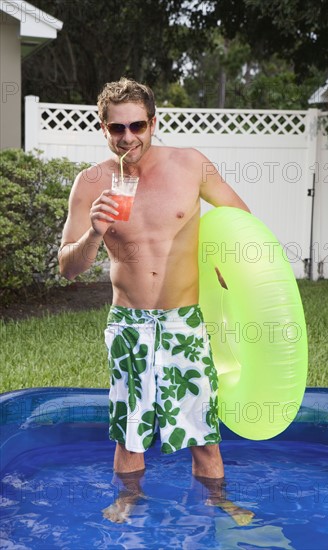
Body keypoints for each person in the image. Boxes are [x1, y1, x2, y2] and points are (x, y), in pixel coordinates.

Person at [58, 77, 253, 524]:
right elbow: (68, 268)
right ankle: (129, 499)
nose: (128, 138)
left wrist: (230, 272)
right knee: (129, 432)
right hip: (128, 322)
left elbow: (240, 222)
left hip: (183, 320)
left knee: (203, 431)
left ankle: (217, 502)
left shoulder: (190, 166)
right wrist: (94, 231)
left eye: (137, 126)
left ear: (154, 122)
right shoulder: (90, 183)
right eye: (117, 129)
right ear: (102, 127)